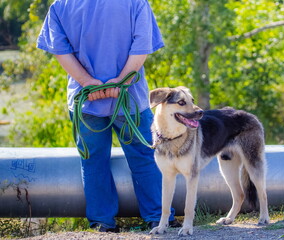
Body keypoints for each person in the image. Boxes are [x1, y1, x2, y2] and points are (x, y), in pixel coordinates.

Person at [36, 0, 179, 232]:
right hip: (130, 99)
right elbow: (141, 46)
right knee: (145, 156)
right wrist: (121, 81)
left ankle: (102, 223)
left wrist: (87, 83)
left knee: (93, 162)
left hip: (85, 101)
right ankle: (158, 218)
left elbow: (61, 51)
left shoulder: (61, 5)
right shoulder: (135, 2)